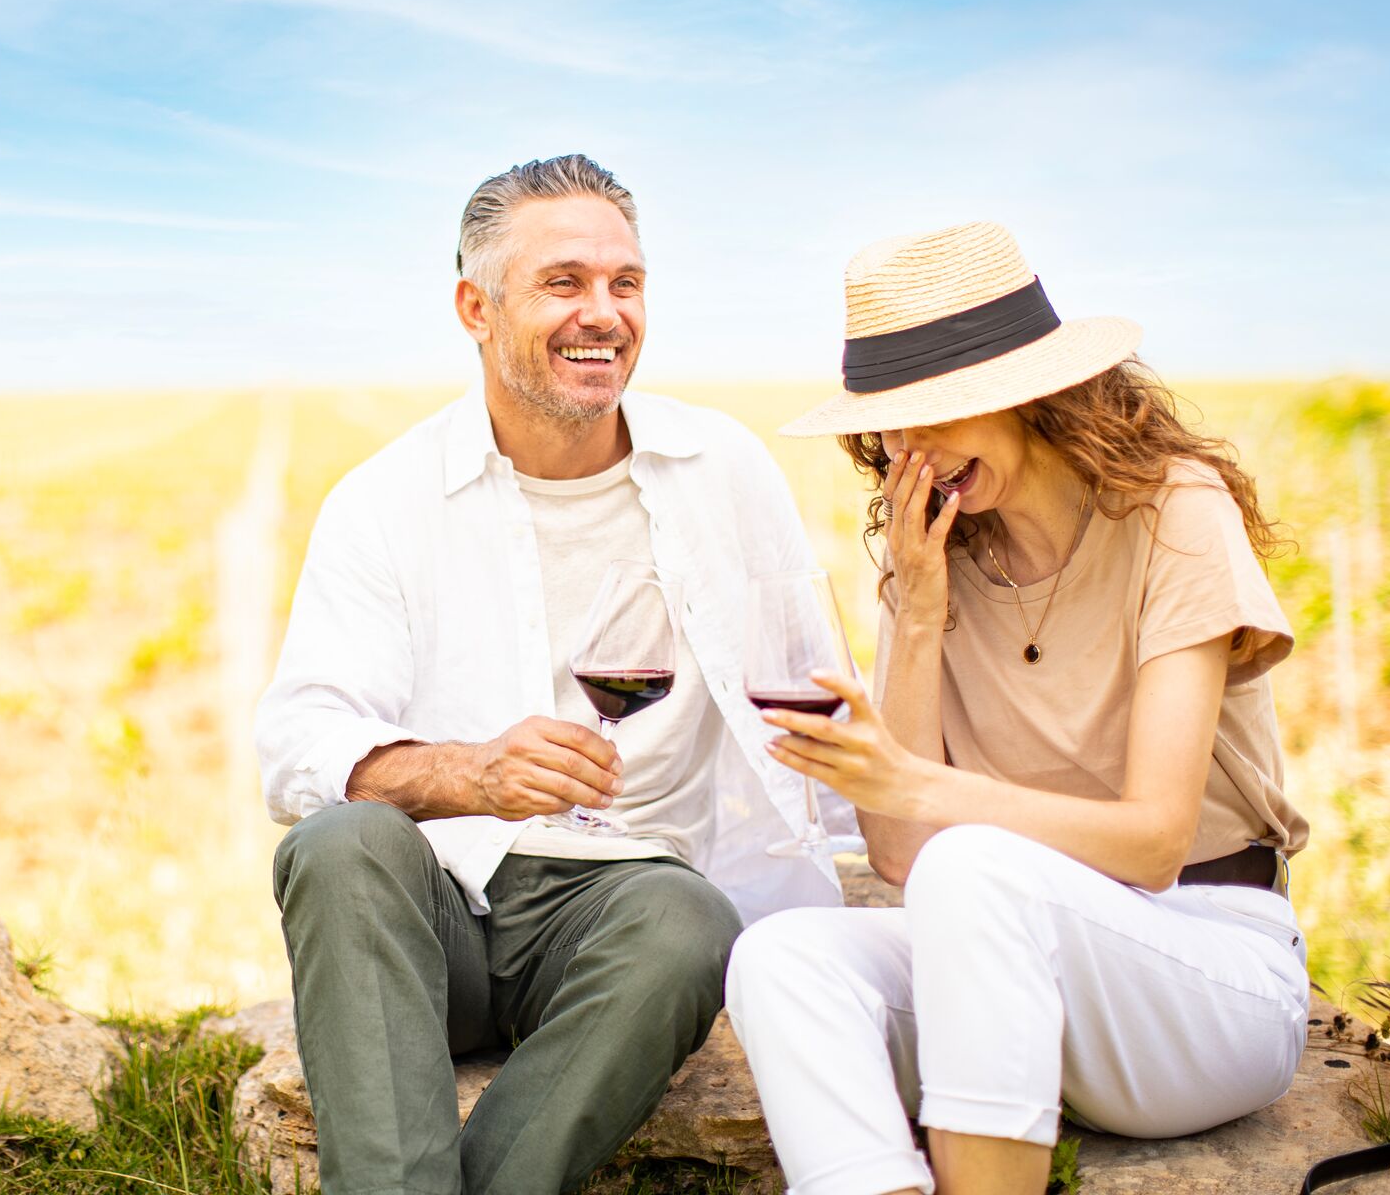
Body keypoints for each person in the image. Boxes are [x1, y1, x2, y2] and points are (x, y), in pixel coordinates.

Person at [254, 154, 848, 1194]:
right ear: (475, 308)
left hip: (623, 907)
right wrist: (469, 774)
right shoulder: (384, 500)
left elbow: (809, 687)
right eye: (564, 282)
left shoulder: (724, 470)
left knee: (688, 917)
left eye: (626, 282)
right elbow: (297, 744)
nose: (604, 313)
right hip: (436, 916)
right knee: (340, 840)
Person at [724, 221, 1311, 1195]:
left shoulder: (1176, 511)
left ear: (1027, 394)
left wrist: (917, 781)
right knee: (782, 958)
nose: (908, 450)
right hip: (1009, 959)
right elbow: (904, 856)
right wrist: (915, 615)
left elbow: (1157, 838)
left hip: (1209, 970)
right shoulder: (939, 556)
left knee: (975, 864)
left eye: (933, 414)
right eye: (890, 424)